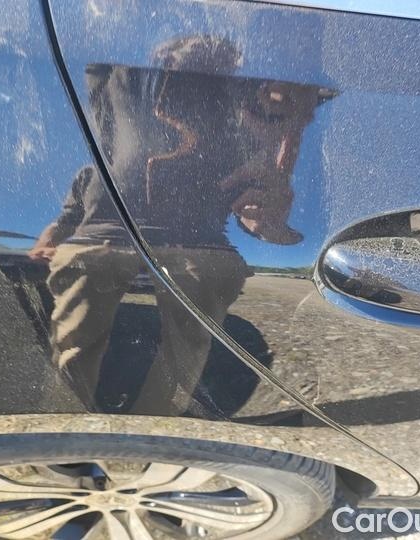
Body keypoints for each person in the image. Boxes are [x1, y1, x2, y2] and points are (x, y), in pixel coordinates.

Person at [29, 35, 332, 414]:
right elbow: (83, 187)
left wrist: (272, 207)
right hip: (111, 230)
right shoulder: (122, 86)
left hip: (197, 242)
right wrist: (56, 232)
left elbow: (262, 214)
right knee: (82, 312)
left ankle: (153, 424)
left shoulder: (246, 120)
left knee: (188, 331)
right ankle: (72, 421)